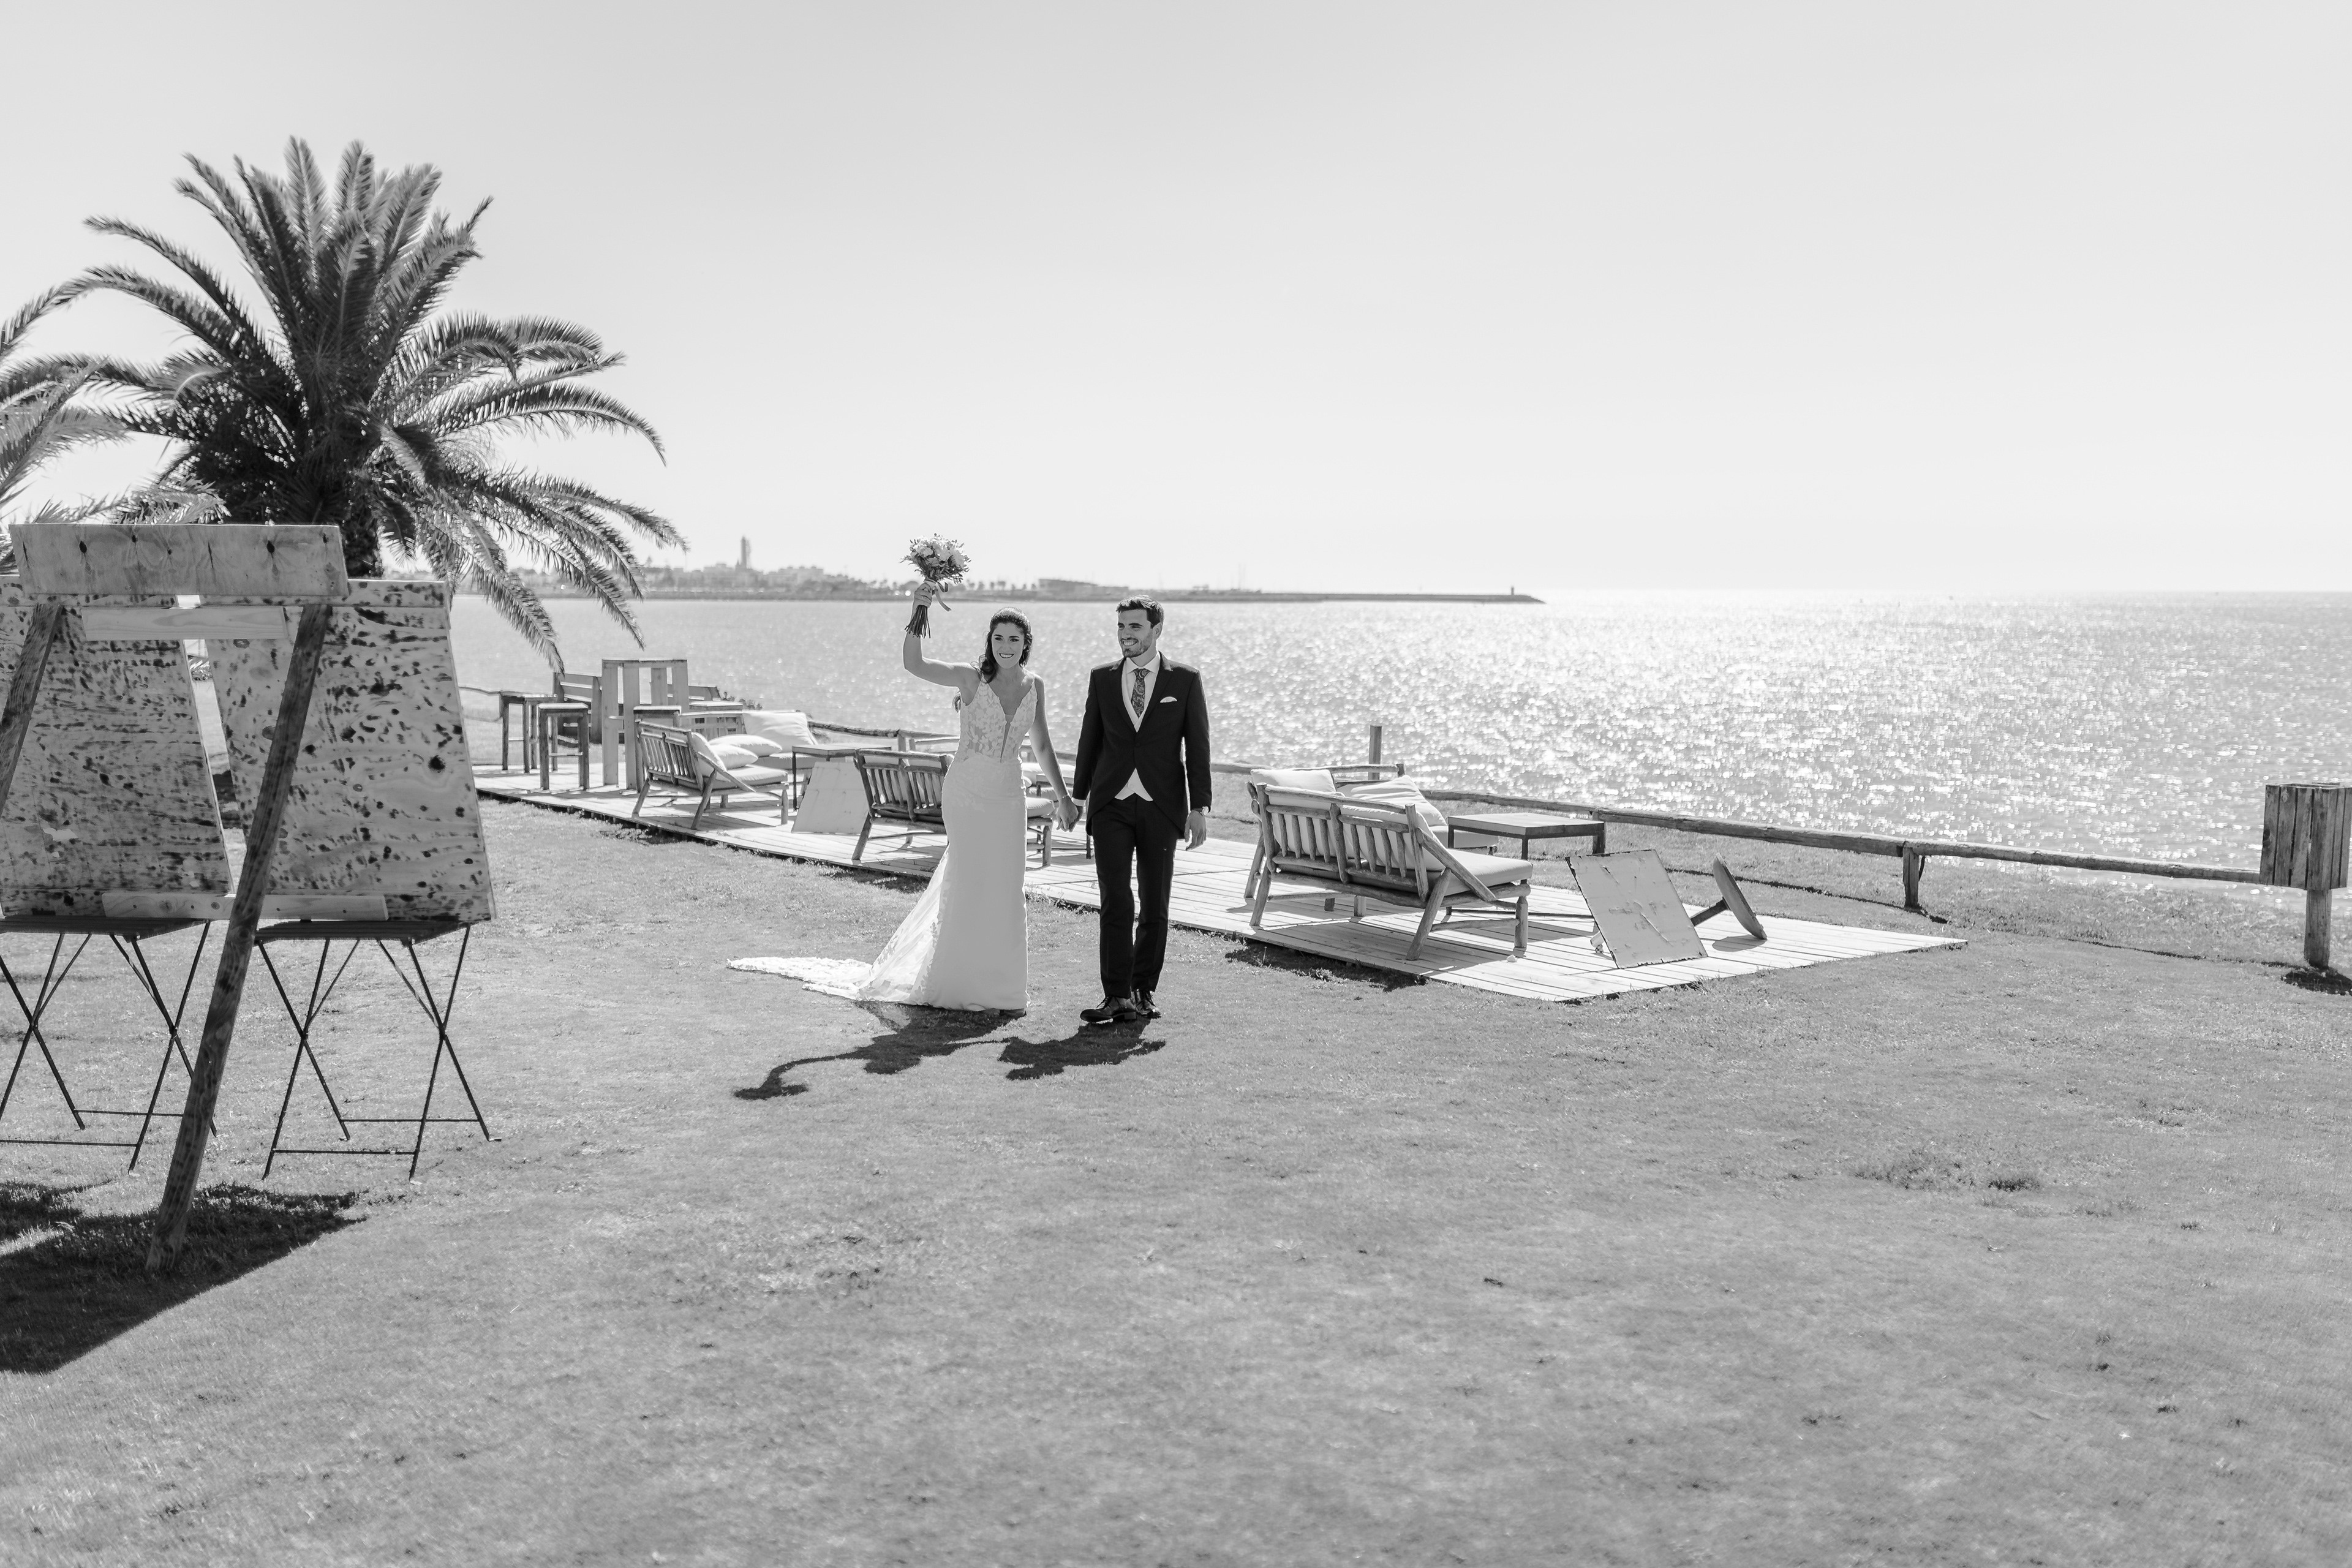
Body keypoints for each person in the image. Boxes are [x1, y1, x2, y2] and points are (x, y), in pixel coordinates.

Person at [850, 589, 1079, 1011]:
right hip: (967, 793)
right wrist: (919, 610)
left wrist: (1063, 797)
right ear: (989, 642)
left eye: (1014, 639)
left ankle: (1004, 990)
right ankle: (955, 983)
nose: (1005, 646)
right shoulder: (971, 678)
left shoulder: (1036, 686)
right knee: (970, 882)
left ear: (1026, 644)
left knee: (1007, 889)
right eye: (998, 638)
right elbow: (915, 664)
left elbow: (1043, 746)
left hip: (1009, 795)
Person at [1071, 596, 1212, 1024]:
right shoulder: (1101, 678)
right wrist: (1078, 798)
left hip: (1161, 807)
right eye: (1121, 626)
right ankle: (1115, 995)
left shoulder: (1185, 680)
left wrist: (1199, 806)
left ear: (1156, 629)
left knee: (1155, 903)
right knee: (1115, 898)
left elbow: (1198, 746)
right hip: (1111, 803)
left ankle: (1142, 990)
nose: (1125, 634)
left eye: (1134, 626)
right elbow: (1089, 739)